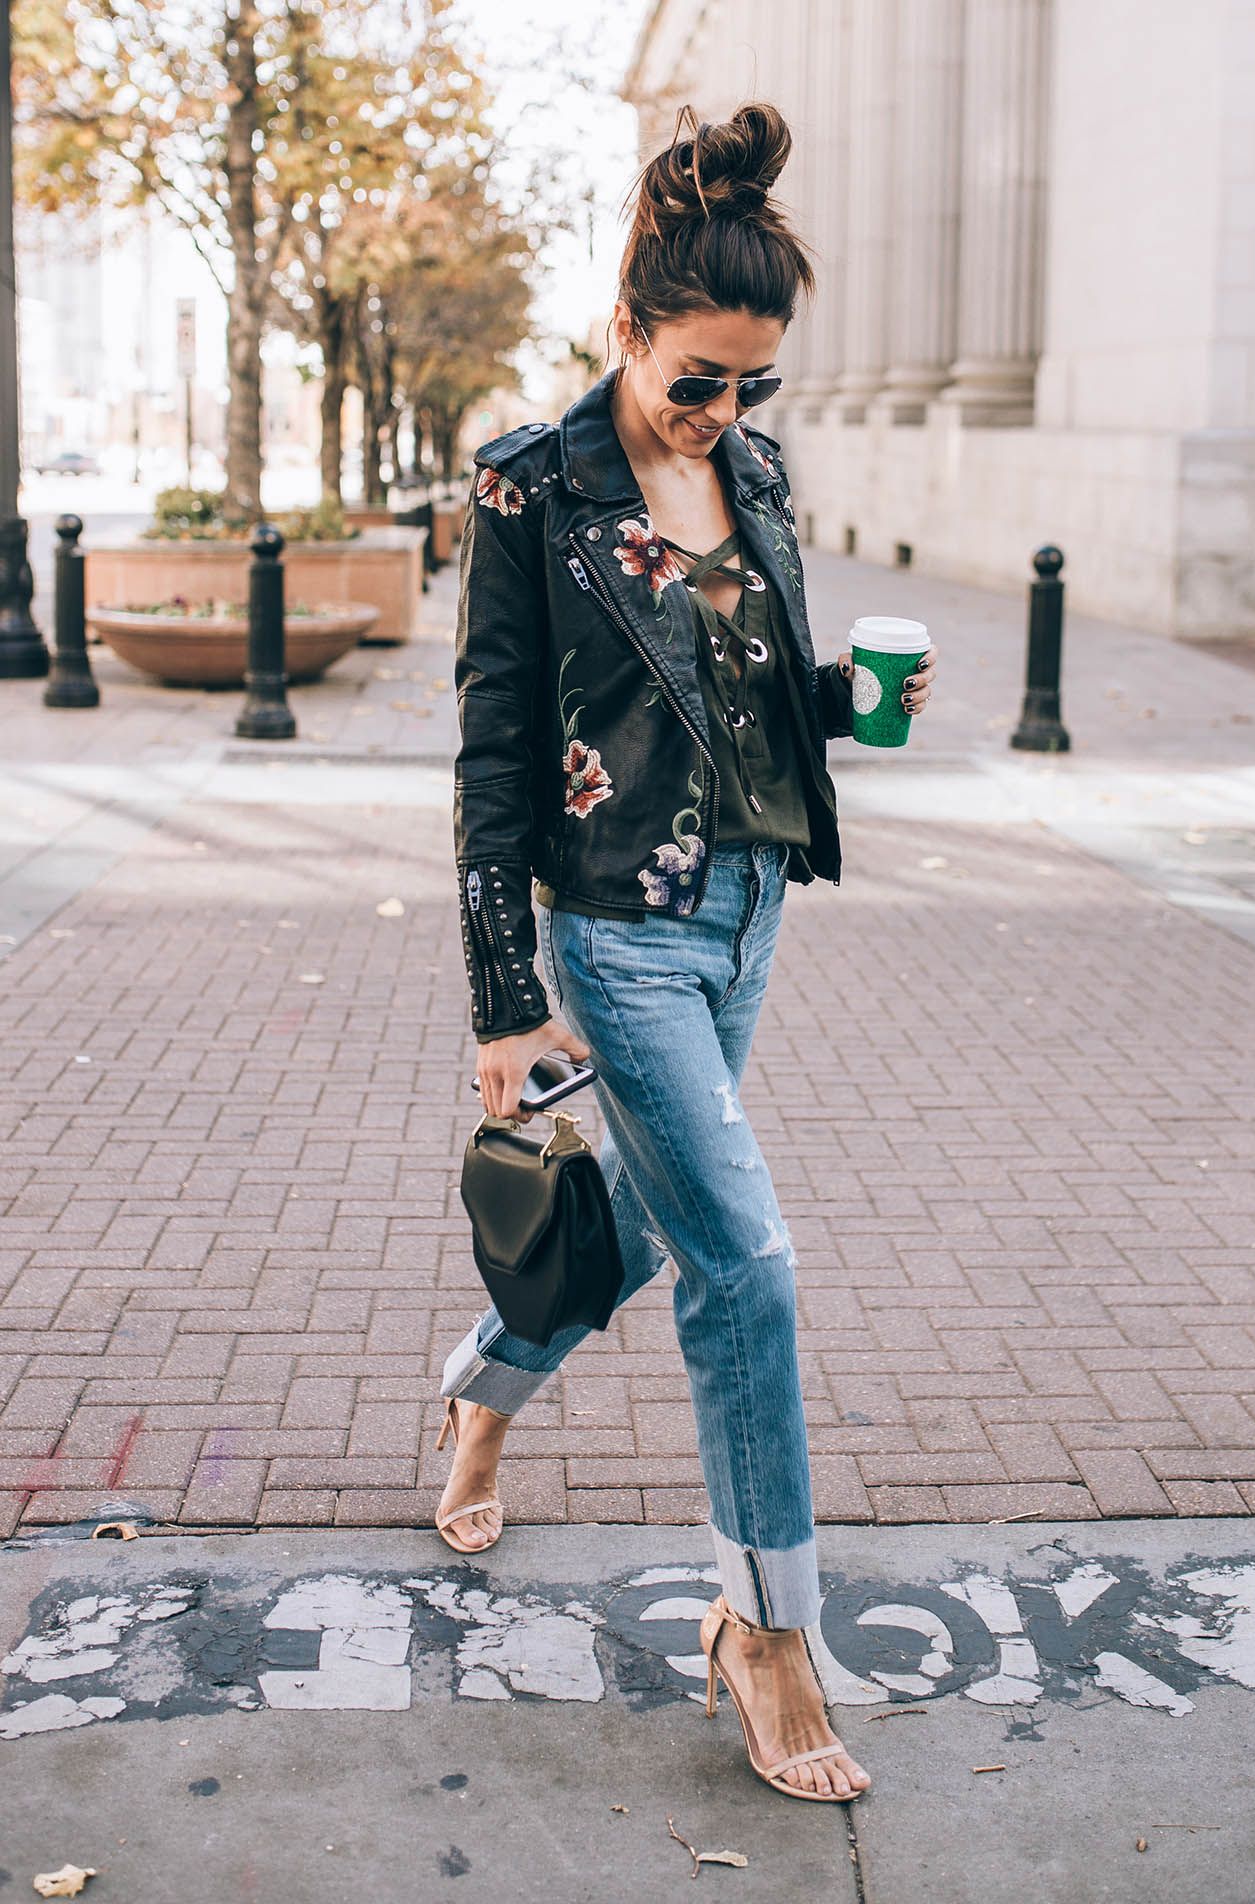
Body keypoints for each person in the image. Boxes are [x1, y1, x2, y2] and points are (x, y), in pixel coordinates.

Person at [441, 102, 937, 1802]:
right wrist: (506, 1001)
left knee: (658, 1233)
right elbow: (497, 750)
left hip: (751, 910)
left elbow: (749, 697)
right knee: (751, 1268)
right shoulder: (532, 487)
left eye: (753, 383)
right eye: (696, 379)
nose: (722, 412)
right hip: (617, 933)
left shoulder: (759, 475)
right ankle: (766, 1631)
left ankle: (483, 1391)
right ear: (627, 329)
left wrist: (852, 706)